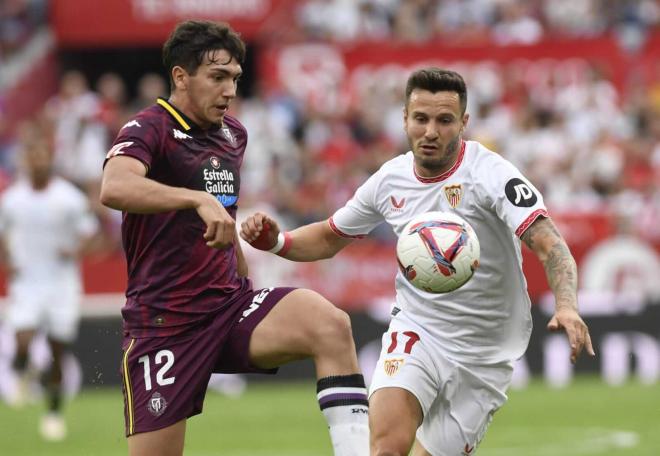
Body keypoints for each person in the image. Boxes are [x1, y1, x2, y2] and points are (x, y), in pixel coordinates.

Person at [241, 68, 596, 456]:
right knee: (387, 446)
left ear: (464, 122)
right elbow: (328, 237)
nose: (430, 131)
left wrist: (567, 305)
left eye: (444, 120)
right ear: (405, 119)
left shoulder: (491, 175)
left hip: (486, 352)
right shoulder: (389, 180)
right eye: (421, 119)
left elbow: (550, 243)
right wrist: (276, 241)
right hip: (418, 329)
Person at [99, 20, 369, 456]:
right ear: (181, 77)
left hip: (229, 306)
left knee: (330, 323)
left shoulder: (232, 135)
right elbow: (114, 187)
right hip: (166, 326)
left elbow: (222, 214)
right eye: (218, 77)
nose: (229, 91)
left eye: (235, 79)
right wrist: (195, 200)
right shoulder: (150, 128)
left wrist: (241, 250)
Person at [0, 125, 100, 441]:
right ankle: (23, 368)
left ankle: (54, 414)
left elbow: (91, 231)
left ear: (50, 159)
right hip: (27, 282)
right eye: (32, 156)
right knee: (23, 341)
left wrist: (75, 251)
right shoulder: (12, 199)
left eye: (42, 155)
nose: (38, 161)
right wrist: (7, 261)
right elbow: (2, 234)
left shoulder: (68, 197)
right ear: (26, 161)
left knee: (58, 351)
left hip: (62, 285)